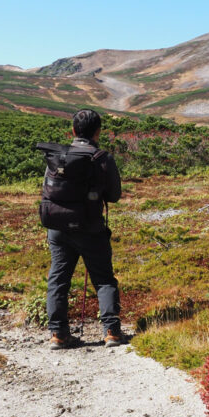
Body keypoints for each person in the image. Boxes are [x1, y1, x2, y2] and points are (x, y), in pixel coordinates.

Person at [43, 109, 128, 349]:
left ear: (73, 130)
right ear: (98, 131)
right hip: (91, 227)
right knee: (103, 279)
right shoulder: (102, 158)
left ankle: (58, 334)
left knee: (58, 278)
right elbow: (114, 196)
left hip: (58, 227)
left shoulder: (58, 157)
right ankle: (111, 331)